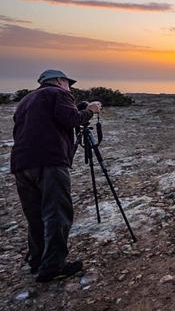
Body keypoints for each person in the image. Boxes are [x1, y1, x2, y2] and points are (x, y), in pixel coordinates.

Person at [11, 70, 102, 282]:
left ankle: (37, 259)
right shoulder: (57, 93)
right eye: (68, 83)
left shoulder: (25, 101)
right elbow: (72, 120)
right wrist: (90, 110)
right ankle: (53, 266)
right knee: (56, 213)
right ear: (60, 81)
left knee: (35, 215)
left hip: (22, 163)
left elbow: (46, 121)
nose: (69, 87)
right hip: (49, 161)